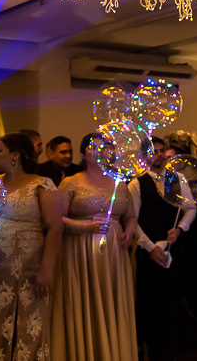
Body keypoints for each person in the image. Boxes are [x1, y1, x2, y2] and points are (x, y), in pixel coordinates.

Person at [0, 132, 62, 360]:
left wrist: (46, 269)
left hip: (24, 273)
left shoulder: (40, 185)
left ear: (15, 155)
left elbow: (55, 228)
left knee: (21, 327)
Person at [50, 133, 138, 361]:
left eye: (105, 146)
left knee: (112, 303)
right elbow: (55, 219)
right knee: (85, 304)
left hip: (114, 254)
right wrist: (84, 226)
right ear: (82, 154)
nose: (100, 150)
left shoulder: (119, 183)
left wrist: (129, 231)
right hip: (80, 252)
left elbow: (130, 216)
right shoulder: (71, 182)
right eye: (94, 147)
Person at [127, 136, 197, 359]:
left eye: (161, 151)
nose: (158, 155)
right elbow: (132, 220)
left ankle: (174, 351)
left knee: (174, 304)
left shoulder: (177, 179)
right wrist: (150, 247)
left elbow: (191, 208)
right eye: (153, 151)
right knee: (151, 306)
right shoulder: (137, 183)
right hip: (149, 254)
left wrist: (180, 229)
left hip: (174, 251)